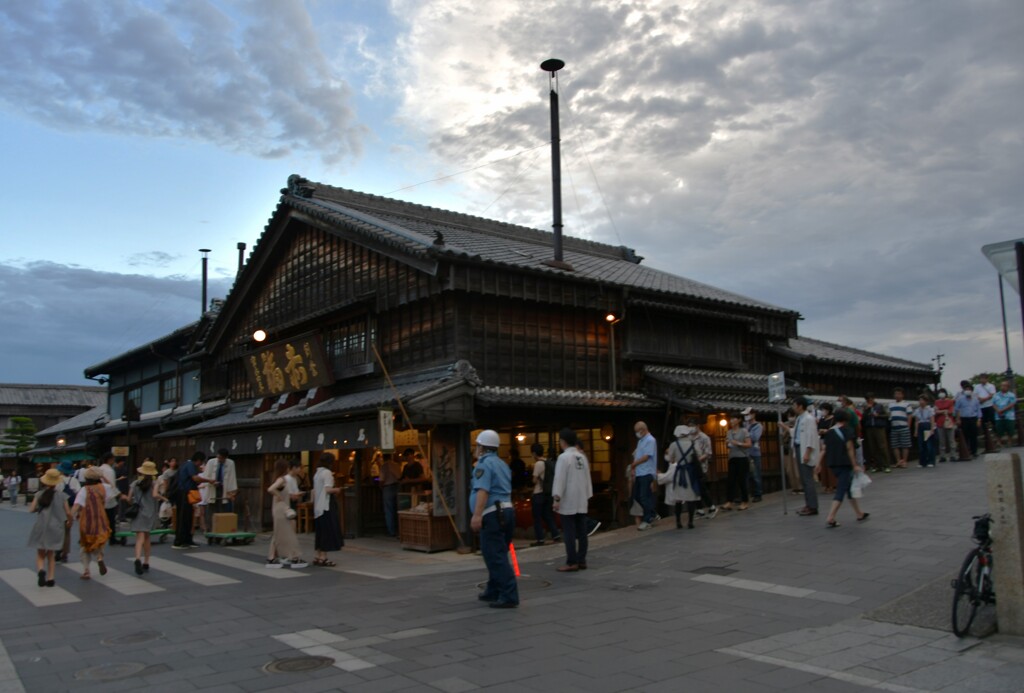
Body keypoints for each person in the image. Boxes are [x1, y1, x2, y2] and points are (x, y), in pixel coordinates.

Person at [470, 429, 518, 608]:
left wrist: (476, 514)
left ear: (482, 447)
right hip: (506, 511)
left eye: (477, 445)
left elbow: (483, 490)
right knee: (497, 553)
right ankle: (494, 589)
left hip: (492, 513)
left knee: (494, 555)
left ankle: (508, 594)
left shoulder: (483, 465)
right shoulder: (502, 464)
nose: (476, 448)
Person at [818, 409, 869, 528]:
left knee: (849, 488)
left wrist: (818, 464)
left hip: (833, 464)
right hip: (845, 464)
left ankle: (859, 513)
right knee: (841, 489)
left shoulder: (829, 432)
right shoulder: (847, 431)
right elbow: (850, 449)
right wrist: (855, 464)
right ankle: (831, 517)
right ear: (846, 420)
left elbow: (824, 449)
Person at [552, 429, 593, 572]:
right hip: (581, 498)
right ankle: (582, 560)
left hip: (568, 499)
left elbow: (559, 479)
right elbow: (588, 479)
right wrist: (588, 495)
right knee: (582, 531)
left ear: (563, 441)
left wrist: (557, 498)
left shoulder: (564, 458)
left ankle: (572, 561)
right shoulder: (582, 457)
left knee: (569, 531)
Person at [27, 468, 71, 588]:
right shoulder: (62, 496)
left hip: (41, 526)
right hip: (56, 527)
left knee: (40, 553)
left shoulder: (39, 494)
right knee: (51, 553)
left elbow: (31, 509)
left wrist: (38, 509)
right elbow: (68, 512)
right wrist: (69, 521)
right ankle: (51, 578)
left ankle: (41, 570)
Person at [266, 459, 307, 569]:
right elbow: (270, 489)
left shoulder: (280, 478)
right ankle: (293, 557)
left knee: (279, 533)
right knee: (288, 533)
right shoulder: (283, 479)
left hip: (279, 508)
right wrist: (278, 495)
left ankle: (273, 557)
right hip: (282, 509)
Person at [125, 460, 164, 575]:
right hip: (149, 513)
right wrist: (164, 499)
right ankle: (146, 562)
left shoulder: (135, 483)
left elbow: (128, 499)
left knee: (139, 539)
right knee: (147, 538)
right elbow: (155, 495)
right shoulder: (154, 483)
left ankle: (137, 558)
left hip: (138, 513)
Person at [658, 425, 701, 529]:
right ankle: (690, 521)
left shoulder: (674, 444)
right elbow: (699, 454)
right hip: (690, 472)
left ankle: (678, 522)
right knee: (691, 497)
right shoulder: (693, 443)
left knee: (678, 498)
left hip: (679, 472)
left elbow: (669, 458)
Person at [72, 467, 111, 579]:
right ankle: (99, 558)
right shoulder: (104, 487)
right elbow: (113, 488)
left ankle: (86, 570)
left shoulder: (85, 489)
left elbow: (76, 505)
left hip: (87, 520)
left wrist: (69, 517)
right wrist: (103, 477)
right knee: (98, 542)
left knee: (85, 545)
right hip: (101, 519)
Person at [787, 396, 821, 516]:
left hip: (805, 449)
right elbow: (795, 432)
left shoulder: (808, 419)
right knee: (804, 479)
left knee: (807, 479)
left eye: (794, 405)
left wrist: (807, 452)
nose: (793, 407)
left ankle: (812, 506)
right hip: (799, 447)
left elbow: (811, 437)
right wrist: (783, 426)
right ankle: (808, 504)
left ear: (800, 406)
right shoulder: (799, 418)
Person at [312, 453, 343, 566]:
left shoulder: (317, 473)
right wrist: (337, 489)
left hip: (318, 506)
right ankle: (323, 557)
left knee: (320, 531)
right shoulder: (327, 473)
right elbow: (328, 489)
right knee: (327, 530)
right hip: (326, 504)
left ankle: (318, 554)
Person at [173, 451, 208, 549]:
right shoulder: (190, 465)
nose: (201, 464)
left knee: (188, 517)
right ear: (199, 460)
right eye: (201, 462)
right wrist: (208, 480)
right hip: (184, 493)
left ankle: (187, 539)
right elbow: (195, 478)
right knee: (183, 517)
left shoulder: (187, 464)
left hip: (186, 493)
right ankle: (179, 541)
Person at [529, 442, 559, 546]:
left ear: (534, 453)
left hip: (538, 493)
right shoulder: (548, 462)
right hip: (548, 493)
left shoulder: (538, 464)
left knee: (537, 517)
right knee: (548, 515)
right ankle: (556, 534)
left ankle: (540, 539)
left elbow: (534, 480)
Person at [631, 421, 658, 530]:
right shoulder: (641, 441)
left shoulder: (650, 440)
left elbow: (646, 456)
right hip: (640, 472)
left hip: (647, 471)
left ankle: (647, 519)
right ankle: (651, 513)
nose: (637, 433)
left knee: (643, 496)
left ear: (642, 429)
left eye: (637, 431)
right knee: (637, 495)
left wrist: (634, 464)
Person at [721, 415, 751, 512]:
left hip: (742, 458)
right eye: (731, 419)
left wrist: (738, 443)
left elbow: (749, 444)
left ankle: (745, 501)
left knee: (742, 480)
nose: (731, 420)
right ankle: (729, 501)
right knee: (731, 480)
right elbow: (728, 444)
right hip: (732, 458)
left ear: (739, 420)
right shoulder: (729, 432)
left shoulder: (744, 431)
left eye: (734, 418)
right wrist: (727, 443)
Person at [689, 420, 718, 519]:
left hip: (701, 466)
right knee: (694, 488)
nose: (691, 428)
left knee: (702, 488)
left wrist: (698, 460)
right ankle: (700, 509)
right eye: (689, 426)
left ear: (698, 425)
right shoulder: (689, 437)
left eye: (692, 426)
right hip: (691, 466)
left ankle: (712, 507)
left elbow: (708, 453)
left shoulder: (704, 437)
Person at [54, 460, 79, 563]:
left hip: (59, 507)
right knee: (67, 532)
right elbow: (78, 493)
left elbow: (55, 493)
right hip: (71, 507)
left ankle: (57, 550)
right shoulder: (74, 480)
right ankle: (65, 554)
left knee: (58, 530)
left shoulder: (58, 480)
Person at [861, 393, 893, 472]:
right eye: (868, 399)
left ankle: (886, 465)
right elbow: (863, 418)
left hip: (879, 427)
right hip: (869, 428)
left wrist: (878, 415)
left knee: (882, 446)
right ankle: (877, 465)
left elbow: (886, 415)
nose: (870, 401)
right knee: (873, 447)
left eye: (871, 399)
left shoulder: (879, 406)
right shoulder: (866, 407)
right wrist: (867, 410)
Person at [954, 380, 981, 457]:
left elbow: (978, 409)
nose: (968, 391)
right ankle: (966, 450)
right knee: (965, 435)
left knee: (974, 435)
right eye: (966, 390)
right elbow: (957, 409)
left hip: (973, 418)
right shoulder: (960, 399)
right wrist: (958, 419)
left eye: (969, 389)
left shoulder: (975, 399)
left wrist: (979, 419)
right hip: (964, 418)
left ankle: (974, 451)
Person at [742, 408, 764, 502]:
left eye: (748, 414)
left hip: (754, 452)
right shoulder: (744, 425)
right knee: (745, 475)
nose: (746, 416)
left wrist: (746, 434)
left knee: (755, 474)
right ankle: (745, 495)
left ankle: (758, 494)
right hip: (744, 452)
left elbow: (755, 437)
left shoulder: (758, 426)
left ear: (753, 414)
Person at [888, 388, 913, 469]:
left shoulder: (906, 404)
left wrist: (908, 426)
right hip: (894, 427)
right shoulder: (891, 404)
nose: (897, 395)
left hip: (904, 426)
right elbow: (889, 415)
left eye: (899, 394)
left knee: (905, 445)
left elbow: (909, 416)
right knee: (895, 445)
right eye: (896, 394)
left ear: (902, 395)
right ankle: (898, 461)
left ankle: (904, 461)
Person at [379, 453, 401, 537]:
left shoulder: (384, 466)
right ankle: (400, 529)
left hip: (387, 488)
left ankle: (391, 531)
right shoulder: (396, 465)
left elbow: (382, 479)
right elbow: (400, 476)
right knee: (398, 509)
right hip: (397, 486)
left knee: (389, 510)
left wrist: (380, 487)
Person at [98, 453, 119, 540]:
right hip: (109, 498)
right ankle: (112, 537)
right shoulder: (110, 471)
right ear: (110, 460)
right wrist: (118, 494)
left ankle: (101, 535)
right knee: (111, 519)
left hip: (99, 496)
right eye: (113, 459)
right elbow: (111, 485)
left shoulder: (99, 469)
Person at [913, 395, 937, 468]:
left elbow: (932, 420)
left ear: (926, 401)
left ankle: (931, 461)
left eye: (923, 400)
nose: (921, 402)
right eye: (920, 400)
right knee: (921, 445)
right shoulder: (917, 410)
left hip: (927, 425)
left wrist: (932, 429)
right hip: (920, 426)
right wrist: (916, 431)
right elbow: (916, 421)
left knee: (928, 444)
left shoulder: (929, 409)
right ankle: (922, 461)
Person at [992, 379, 1018, 447]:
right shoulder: (996, 395)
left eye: (1004, 386)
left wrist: (1002, 410)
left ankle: (1009, 441)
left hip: (1009, 415)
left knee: (1010, 429)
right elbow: (993, 404)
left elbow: (1011, 404)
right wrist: (998, 411)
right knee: (998, 429)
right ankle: (998, 442)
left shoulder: (1011, 395)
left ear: (1008, 387)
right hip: (998, 415)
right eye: (1002, 385)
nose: (1003, 387)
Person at [933, 389, 956, 462]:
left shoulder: (950, 401)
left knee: (951, 440)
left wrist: (940, 411)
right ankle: (942, 456)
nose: (941, 394)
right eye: (939, 393)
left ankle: (953, 455)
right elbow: (935, 412)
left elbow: (951, 411)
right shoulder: (936, 402)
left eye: (942, 392)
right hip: (939, 423)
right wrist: (944, 410)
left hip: (949, 422)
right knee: (941, 441)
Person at [975, 374, 997, 438]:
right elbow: (975, 394)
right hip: (981, 407)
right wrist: (980, 399)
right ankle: (986, 435)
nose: (982, 380)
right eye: (981, 378)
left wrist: (983, 399)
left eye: (983, 378)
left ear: (987, 379)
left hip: (989, 405)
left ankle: (996, 434)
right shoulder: (977, 386)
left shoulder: (991, 386)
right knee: (983, 421)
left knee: (993, 420)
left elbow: (992, 395)